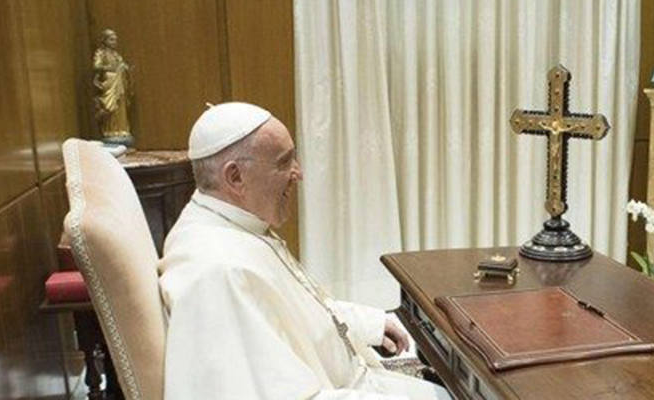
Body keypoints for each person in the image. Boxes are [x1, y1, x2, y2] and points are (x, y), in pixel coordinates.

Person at [158, 102, 448, 400]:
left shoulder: (232, 224)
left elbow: (297, 311)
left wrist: (368, 324)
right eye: (284, 162)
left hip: (354, 382)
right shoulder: (218, 272)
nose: (298, 173)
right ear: (235, 177)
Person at [93, 29, 133, 146]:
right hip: (109, 84)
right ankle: (110, 131)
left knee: (120, 107)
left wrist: (124, 68)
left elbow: (123, 66)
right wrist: (112, 68)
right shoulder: (101, 53)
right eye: (111, 39)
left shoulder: (117, 55)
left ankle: (122, 130)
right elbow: (96, 66)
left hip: (119, 84)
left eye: (115, 40)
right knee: (110, 108)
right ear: (105, 40)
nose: (114, 42)